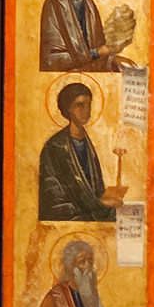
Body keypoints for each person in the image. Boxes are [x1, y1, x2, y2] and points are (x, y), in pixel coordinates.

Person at [36, 83, 115, 222]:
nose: (86, 110)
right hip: (67, 216)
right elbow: (52, 194)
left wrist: (104, 201)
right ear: (68, 109)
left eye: (88, 104)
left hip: (91, 213)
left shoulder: (87, 144)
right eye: (79, 105)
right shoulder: (54, 146)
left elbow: (95, 187)